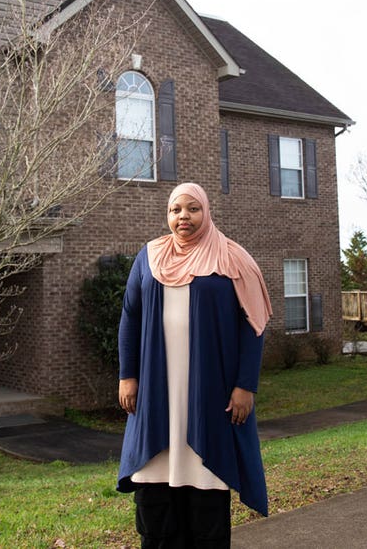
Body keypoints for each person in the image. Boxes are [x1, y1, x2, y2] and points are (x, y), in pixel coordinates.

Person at [116, 182, 271, 547]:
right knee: (154, 497)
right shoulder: (149, 256)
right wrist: (128, 375)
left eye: (192, 208)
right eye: (175, 210)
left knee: (206, 497)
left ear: (206, 212)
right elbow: (130, 316)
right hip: (156, 393)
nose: (182, 216)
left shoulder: (231, 257)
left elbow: (255, 323)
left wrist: (246, 384)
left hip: (208, 394)